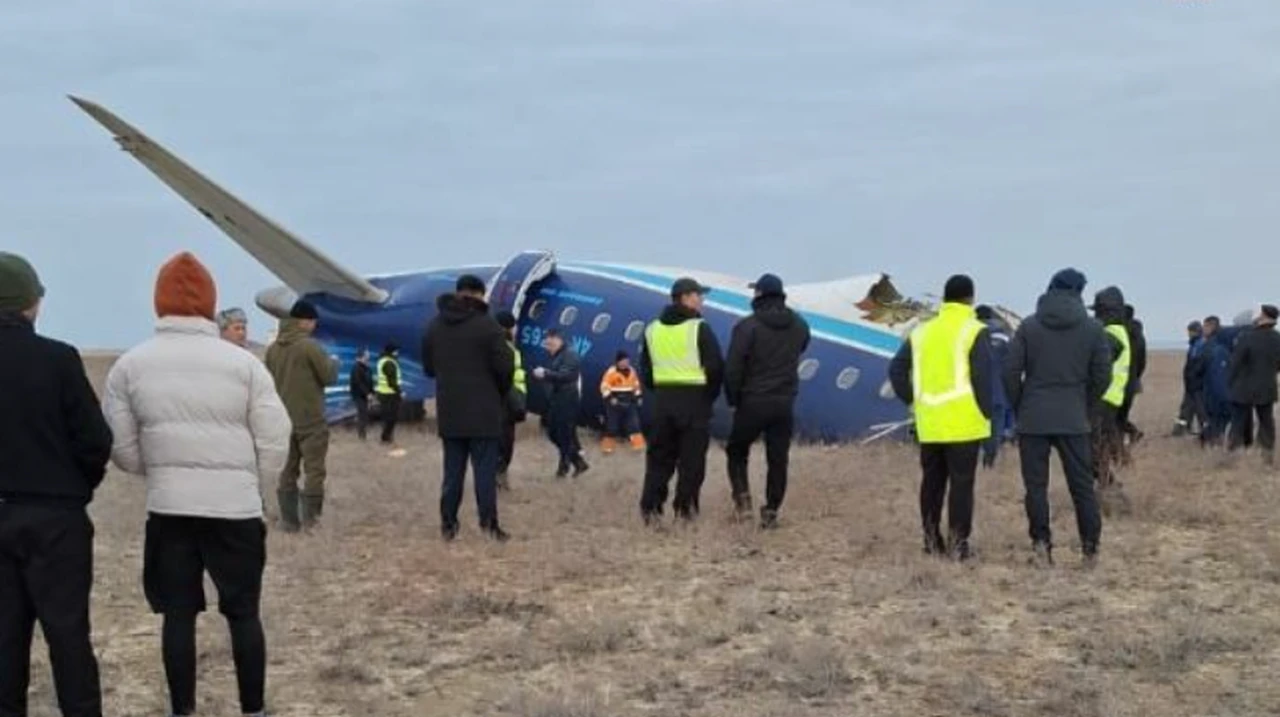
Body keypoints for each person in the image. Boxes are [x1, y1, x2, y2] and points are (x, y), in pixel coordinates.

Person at [102, 252, 291, 717]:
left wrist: (162, 470)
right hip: (236, 509)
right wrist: (252, 482)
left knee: (178, 615)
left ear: (158, 302)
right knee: (244, 613)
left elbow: (121, 447)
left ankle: (182, 709)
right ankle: (253, 709)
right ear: (210, 303)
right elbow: (275, 436)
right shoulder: (245, 365)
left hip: (170, 508)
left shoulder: (129, 366)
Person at [0, 252, 113, 717]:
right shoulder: (59, 359)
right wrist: (75, 488)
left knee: (3, 642)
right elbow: (95, 440)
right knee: (68, 637)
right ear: (31, 303)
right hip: (55, 518)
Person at [1004, 268, 1110, 568]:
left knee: (1036, 488)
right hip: (1073, 417)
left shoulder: (1028, 326)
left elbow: (1010, 372)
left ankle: (1042, 549)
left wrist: (1020, 405)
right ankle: (1090, 551)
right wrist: (1085, 405)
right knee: (1082, 488)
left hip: (1033, 417)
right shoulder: (1093, 329)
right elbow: (1103, 375)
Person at [888, 275, 991, 560]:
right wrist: (987, 415)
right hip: (964, 423)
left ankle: (931, 542)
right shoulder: (975, 331)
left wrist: (913, 400)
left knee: (931, 484)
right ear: (971, 298)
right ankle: (958, 545)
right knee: (961, 486)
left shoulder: (922, 332)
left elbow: (896, 370)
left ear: (945, 298)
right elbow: (983, 379)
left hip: (930, 422)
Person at [421, 274, 515, 541]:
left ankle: (448, 526)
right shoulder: (488, 326)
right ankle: (489, 526)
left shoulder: (435, 326)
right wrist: (498, 392)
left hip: (450, 411)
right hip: (484, 412)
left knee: (452, 473)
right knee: (484, 473)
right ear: (479, 294)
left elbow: (428, 368)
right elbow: (505, 367)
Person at [723, 273, 811, 529]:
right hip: (784, 402)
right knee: (778, 458)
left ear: (759, 294)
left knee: (737, 451)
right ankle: (771, 510)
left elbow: (733, 367)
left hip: (752, 400)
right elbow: (802, 347)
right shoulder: (799, 325)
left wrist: (733, 399)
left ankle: (743, 502)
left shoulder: (747, 327)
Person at [638, 277, 725, 523]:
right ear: (686, 298)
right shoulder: (699, 328)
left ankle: (650, 509)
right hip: (694, 402)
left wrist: (660, 389)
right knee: (692, 462)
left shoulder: (652, 329)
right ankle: (685, 511)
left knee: (659, 460)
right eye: (698, 295)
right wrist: (708, 397)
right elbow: (716, 367)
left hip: (663, 401)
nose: (702, 300)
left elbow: (645, 370)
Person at [263, 299, 338, 531]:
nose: (314, 326)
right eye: (313, 321)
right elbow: (328, 377)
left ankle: (289, 521)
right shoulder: (309, 347)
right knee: (314, 470)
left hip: (282, 419)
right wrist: (333, 363)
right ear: (304, 322)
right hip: (310, 419)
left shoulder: (272, 350)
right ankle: (311, 521)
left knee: (287, 471)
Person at [1089, 287, 1132, 516]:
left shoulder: (1112, 334)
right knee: (1097, 450)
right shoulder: (1117, 331)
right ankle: (1107, 493)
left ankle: (1112, 494)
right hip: (1109, 400)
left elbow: (1096, 362)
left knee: (1092, 451)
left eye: (1098, 311)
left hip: (1103, 401)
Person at [1226, 304, 1280, 464]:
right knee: (1266, 421)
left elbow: (1235, 363)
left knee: (1238, 421)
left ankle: (1234, 453)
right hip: (1267, 387)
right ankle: (1266, 453)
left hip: (1244, 387)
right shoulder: (1278, 339)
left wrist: (1230, 381)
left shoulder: (1247, 337)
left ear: (1263, 316)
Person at [533, 328, 590, 477]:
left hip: (567, 400)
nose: (548, 347)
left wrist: (545, 373)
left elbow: (566, 375)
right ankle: (576, 462)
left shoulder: (570, 355)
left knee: (563, 434)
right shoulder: (557, 355)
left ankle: (569, 465)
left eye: (550, 343)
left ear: (559, 340)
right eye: (547, 344)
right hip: (557, 399)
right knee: (554, 433)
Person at [975, 305, 1015, 463]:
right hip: (999, 391)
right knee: (995, 428)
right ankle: (990, 460)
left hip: (975, 392)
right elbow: (1012, 365)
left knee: (977, 429)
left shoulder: (972, 334)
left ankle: (978, 461)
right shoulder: (1004, 337)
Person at [494, 310, 527, 490]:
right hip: (505, 400)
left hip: (510, 400)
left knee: (505, 440)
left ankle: (499, 474)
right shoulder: (503, 348)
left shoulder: (509, 347)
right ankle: (498, 475)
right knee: (503, 441)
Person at [1115, 303, 1147, 457]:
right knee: (1121, 416)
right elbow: (1142, 361)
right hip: (1132, 380)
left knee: (1115, 418)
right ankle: (1125, 442)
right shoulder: (1138, 335)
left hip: (1119, 381)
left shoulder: (1121, 332)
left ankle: (1119, 449)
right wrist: (1136, 376)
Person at [599, 350, 645, 454]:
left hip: (629, 401)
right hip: (615, 402)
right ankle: (607, 447)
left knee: (634, 424)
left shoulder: (632, 371)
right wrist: (610, 398)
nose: (626, 363)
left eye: (627, 361)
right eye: (623, 361)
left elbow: (636, 385)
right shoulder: (611, 372)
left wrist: (638, 396)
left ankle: (638, 445)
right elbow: (604, 386)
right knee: (612, 426)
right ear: (618, 362)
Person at [1200, 316, 1234, 447]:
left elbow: (1218, 377)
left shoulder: (1217, 348)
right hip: (1209, 391)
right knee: (1213, 421)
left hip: (1216, 395)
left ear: (1212, 327)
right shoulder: (1209, 345)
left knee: (1217, 422)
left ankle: (1215, 445)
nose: (1203, 329)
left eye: (1205, 326)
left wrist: (1223, 398)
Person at [1174, 320, 1206, 438]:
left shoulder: (1199, 345)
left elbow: (1195, 365)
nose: (1188, 334)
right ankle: (1180, 430)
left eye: (1190, 332)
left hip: (1196, 384)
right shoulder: (1195, 344)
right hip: (1191, 383)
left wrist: (1193, 378)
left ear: (1195, 332)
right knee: (1186, 408)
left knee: (1200, 409)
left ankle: (1206, 431)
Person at [374, 343, 403, 445]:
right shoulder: (389, 363)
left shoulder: (382, 360)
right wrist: (399, 392)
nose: (398, 353)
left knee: (387, 416)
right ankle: (386, 437)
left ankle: (387, 436)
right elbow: (392, 381)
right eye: (396, 351)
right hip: (390, 393)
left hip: (383, 392)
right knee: (392, 417)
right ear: (392, 352)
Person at [348, 348, 374, 441]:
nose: (368, 357)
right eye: (366, 355)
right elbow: (358, 383)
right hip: (358, 395)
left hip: (365, 394)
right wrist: (367, 393)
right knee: (362, 413)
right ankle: (362, 434)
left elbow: (370, 381)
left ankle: (362, 432)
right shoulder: (356, 368)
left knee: (364, 413)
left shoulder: (367, 367)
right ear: (361, 357)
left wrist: (372, 392)